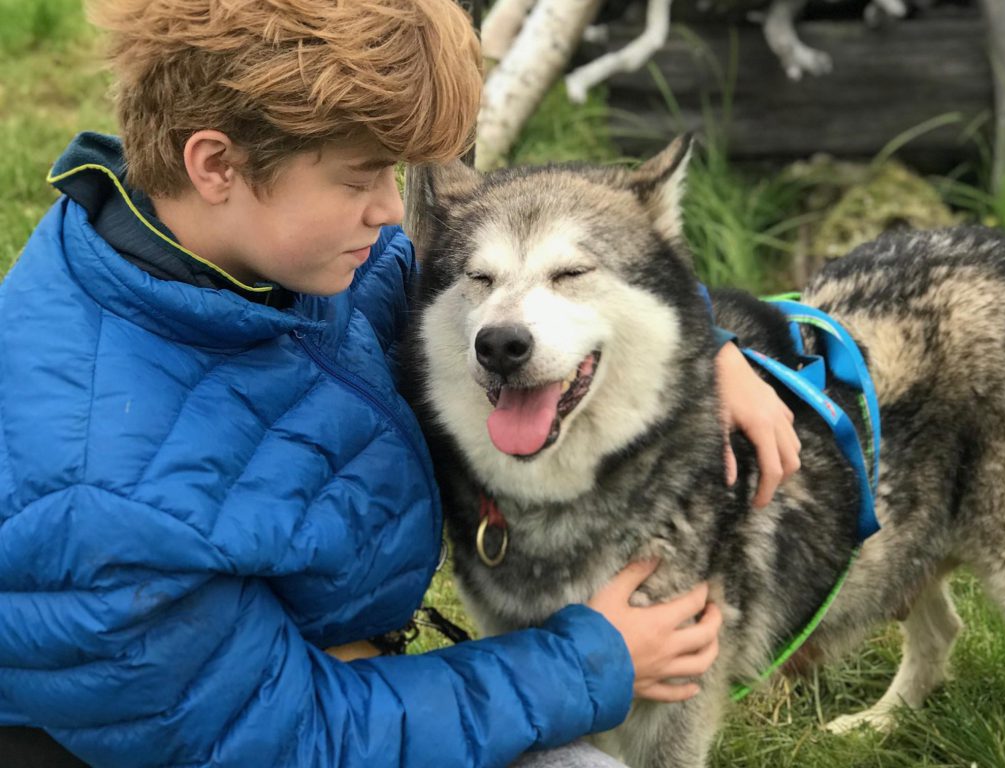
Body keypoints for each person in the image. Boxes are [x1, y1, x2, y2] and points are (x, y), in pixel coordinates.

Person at [0, 1, 799, 766]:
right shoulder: (99, 498)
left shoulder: (267, 256)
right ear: (217, 165)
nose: (391, 212)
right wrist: (591, 662)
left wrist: (709, 346)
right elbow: (295, 742)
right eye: (361, 178)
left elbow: (543, 280)